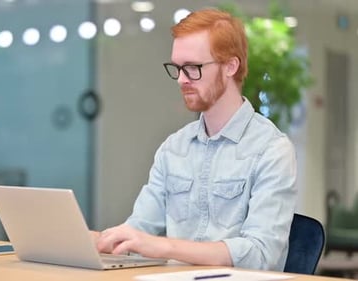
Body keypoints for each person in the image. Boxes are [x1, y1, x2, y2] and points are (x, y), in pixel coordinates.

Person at [95, 7, 297, 271]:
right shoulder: (173, 149)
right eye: (177, 68)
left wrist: (165, 246)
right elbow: (138, 232)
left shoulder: (272, 150)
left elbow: (260, 255)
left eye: (192, 68)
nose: (181, 79)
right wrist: (98, 240)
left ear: (230, 66)